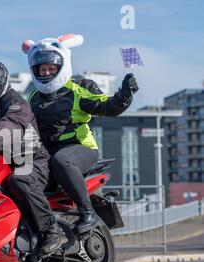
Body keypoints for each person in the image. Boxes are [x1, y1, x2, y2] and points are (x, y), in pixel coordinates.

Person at [22, 34, 139, 234]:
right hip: (46, 156)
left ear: (61, 66)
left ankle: (88, 213)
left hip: (80, 149)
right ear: (36, 71)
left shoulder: (78, 89)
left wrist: (124, 95)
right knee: (20, 177)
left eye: (52, 68)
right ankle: (41, 234)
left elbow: (107, 106)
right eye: (43, 69)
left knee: (61, 160)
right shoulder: (33, 97)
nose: (47, 72)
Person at [0, 60, 68, 255]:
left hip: (32, 162)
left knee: (20, 179)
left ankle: (51, 231)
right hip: (0, 165)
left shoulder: (15, 104)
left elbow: (8, 127)